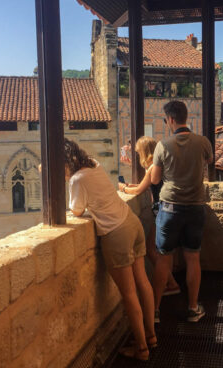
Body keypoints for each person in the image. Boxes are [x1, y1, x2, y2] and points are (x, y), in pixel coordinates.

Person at [63, 138, 156, 361]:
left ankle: (142, 349)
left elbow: (76, 211)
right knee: (142, 281)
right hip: (131, 222)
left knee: (129, 293)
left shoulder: (77, 179)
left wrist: (69, 182)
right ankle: (151, 336)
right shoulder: (94, 164)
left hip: (116, 233)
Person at [150, 100, 213, 323]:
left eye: (166, 120)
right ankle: (193, 308)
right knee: (193, 258)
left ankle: (155, 312)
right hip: (196, 207)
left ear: (171, 119)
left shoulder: (163, 145)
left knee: (163, 260)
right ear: (186, 117)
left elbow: (155, 179)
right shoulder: (203, 142)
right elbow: (209, 160)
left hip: (170, 209)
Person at [118, 136, 181, 296]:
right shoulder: (159, 165)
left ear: (144, 152)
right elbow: (144, 185)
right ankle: (171, 282)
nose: (137, 155)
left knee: (152, 250)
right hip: (170, 209)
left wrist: (123, 189)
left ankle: (172, 284)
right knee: (165, 252)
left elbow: (138, 191)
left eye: (138, 152)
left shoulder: (153, 167)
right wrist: (132, 186)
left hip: (161, 211)